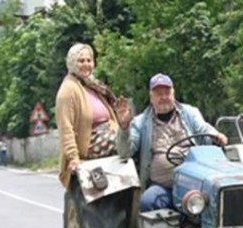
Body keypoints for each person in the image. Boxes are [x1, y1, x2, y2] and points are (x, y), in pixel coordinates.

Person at [117, 73, 228, 211]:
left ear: (173, 94)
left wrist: (216, 135)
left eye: (167, 93)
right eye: (159, 94)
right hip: (163, 187)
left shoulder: (189, 113)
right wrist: (124, 128)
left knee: (220, 197)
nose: (164, 97)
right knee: (147, 201)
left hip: (194, 185)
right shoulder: (140, 122)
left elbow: (203, 128)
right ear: (151, 97)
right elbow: (125, 152)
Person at [55, 43, 132, 189]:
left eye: (89, 60)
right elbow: (66, 128)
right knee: (126, 142)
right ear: (72, 63)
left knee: (136, 136)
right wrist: (73, 158)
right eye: (81, 61)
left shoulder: (92, 85)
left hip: (109, 131)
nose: (86, 64)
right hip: (91, 142)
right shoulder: (68, 90)